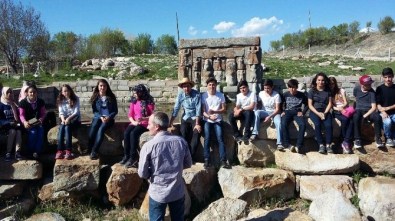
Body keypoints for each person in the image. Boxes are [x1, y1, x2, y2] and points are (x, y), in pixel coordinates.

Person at [138, 112, 192, 221]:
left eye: (149, 124)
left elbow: (142, 173)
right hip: (177, 191)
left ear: (157, 126)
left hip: (158, 192)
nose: (147, 127)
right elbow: (188, 163)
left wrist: (151, 174)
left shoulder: (148, 146)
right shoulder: (181, 142)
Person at [119, 84, 155, 168]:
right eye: (134, 93)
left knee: (133, 133)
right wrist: (134, 122)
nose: (135, 94)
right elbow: (130, 115)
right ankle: (126, 156)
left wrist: (144, 119)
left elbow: (152, 116)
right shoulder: (134, 101)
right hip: (135, 122)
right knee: (126, 133)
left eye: (136, 93)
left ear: (141, 93)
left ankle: (133, 157)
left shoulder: (149, 101)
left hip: (145, 123)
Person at [169, 77, 202, 161]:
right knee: (183, 134)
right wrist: (171, 122)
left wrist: (197, 124)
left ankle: (191, 156)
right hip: (186, 116)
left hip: (195, 117)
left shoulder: (197, 94)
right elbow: (176, 108)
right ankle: (184, 155)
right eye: (184, 87)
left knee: (196, 133)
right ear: (182, 87)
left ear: (191, 86)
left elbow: (198, 109)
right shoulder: (180, 95)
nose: (186, 88)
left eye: (188, 86)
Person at [201, 77, 231, 169]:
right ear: (207, 86)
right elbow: (202, 111)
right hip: (207, 120)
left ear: (216, 85)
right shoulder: (204, 96)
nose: (211, 86)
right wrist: (209, 116)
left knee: (220, 139)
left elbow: (224, 109)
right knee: (207, 138)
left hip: (217, 120)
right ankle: (206, 159)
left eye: (213, 84)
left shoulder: (220, 95)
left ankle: (223, 160)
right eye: (210, 85)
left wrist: (215, 112)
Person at [88, 79, 118, 160]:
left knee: (101, 129)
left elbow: (115, 111)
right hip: (99, 117)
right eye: (101, 86)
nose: (102, 87)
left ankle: (94, 151)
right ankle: (89, 148)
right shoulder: (95, 97)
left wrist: (108, 117)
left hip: (109, 119)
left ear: (107, 87)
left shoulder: (111, 97)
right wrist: (101, 117)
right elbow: (95, 111)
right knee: (93, 127)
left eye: (104, 86)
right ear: (98, 87)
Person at [250, 79, 283, 149]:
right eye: (265, 88)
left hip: (274, 113)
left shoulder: (276, 95)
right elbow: (257, 104)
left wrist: (269, 117)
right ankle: (254, 133)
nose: (266, 90)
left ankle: (279, 143)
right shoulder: (261, 93)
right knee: (256, 112)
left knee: (279, 123)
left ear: (272, 87)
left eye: (268, 88)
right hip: (264, 112)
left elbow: (277, 109)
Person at [353, 74, 383, 149]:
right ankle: (357, 139)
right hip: (359, 109)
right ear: (362, 85)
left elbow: (373, 107)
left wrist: (365, 115)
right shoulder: (356, 89)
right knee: (356, 117)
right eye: (368, 84)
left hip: (369, 110)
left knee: (377, 117)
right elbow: (355, 98)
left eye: (370, 84)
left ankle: (378, 138)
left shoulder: (372, 92)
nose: (370, 85)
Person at [308, 73, 333, 154]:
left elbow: (330, 103)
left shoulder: (328, 91)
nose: (320, 82)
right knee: (317, 124)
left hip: (325, 111)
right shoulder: (312, 91)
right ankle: (321, 144)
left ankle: (328, 145)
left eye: (322, 80)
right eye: (319, 80)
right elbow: (310, 105)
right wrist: (318, 114)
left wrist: (325, 113)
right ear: (316, 81)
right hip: (315, 111)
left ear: (325, 81)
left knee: (329, 125)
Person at [19, 84, 47, 159]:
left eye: (34, 92)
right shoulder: (23, 103)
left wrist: (41, 119)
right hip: (28, 122)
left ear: (36, 92)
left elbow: (43, 113)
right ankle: (30, 151)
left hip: (37, 121)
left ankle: (37, 152)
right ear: (27, 93)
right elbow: (21, 115)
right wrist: (24, 122)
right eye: (30, 92)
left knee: (41, 131)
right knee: (33, 132)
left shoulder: (40, 101)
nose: (32, 94)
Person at [281, 79, 308, 154]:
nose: (292, 90)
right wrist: (282, 111)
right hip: (287, 112)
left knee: (302, 125)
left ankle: (299, 145)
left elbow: (307, 104)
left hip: (297, 112)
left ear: (296, 87)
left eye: (294, 88)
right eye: (290, 87)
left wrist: (303, 112)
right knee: (283, 124)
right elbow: (280, 103)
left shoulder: (301, 95)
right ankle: (287, 144)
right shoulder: (285, 94)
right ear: (288, 87)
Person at [329, 77, 354, 154]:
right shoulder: (328, 93)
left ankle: (345, 140)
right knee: (345, 120)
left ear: (335, 83)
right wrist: (338, 109)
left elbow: (346, 102)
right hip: (336, 111)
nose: (331, 85)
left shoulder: (341, 91)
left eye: (333, 83)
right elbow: (331, 105)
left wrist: (342, 107)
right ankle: (344, 139)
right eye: (329, 84)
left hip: (344, 109)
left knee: (351, 121)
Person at [55, 84, 81, 160]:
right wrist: (63, 119)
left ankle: (68, 150)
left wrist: (68, 119)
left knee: (67, 127)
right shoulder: (60, 100)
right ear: (62, 92)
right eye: (64, 91)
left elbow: (76, 112)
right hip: (65, 119)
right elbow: (61, 112)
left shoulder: (76, 99)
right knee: (62, 127)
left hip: (74, 119)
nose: (66, 92)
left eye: (67, 90)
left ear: (70, 91)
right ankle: (60, 150)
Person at [0, 87, 23, 161]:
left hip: (15, 124)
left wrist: (15, 106)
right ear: (3, 93)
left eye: (11, 92)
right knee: (12, 131)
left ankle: (17, 152)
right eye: (7, 92)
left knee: (19, 132)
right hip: (6, 125)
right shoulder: (1, 105)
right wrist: (9, 123)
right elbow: (1, 119)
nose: (9, 94)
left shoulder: (13, 103)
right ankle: (8, 152)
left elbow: (19, 116)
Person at [376, 67, 395, 147]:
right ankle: (388, 138)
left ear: (393, 76)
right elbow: (377, 103)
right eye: (386, 77)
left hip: (393, 112)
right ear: (382, 77)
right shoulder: (380, 89)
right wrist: (383, 111)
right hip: (383, 112)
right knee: (388, 122)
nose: (388, 79)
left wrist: (387, 108)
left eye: (389, 77)